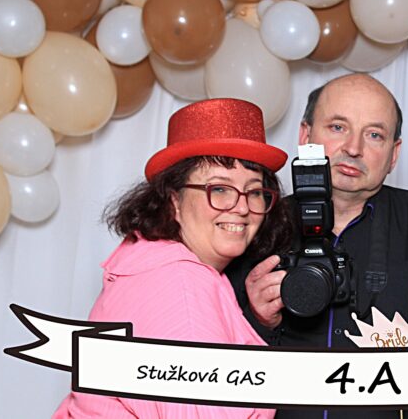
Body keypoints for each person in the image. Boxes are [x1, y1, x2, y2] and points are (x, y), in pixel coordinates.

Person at [228, 73, 408, 419]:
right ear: (305, 136)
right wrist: (255, 320)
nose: (353, 148)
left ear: (394, 154)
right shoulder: (254, 224)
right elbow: (212, 359)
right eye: (337, 127)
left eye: (374, 135)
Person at [54, 98, 293, 418]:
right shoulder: (182, 286)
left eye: (254, 191)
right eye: (219, 189)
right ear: (174, 201)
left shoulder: (154, 260)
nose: (241, 207)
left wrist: (259, 323)